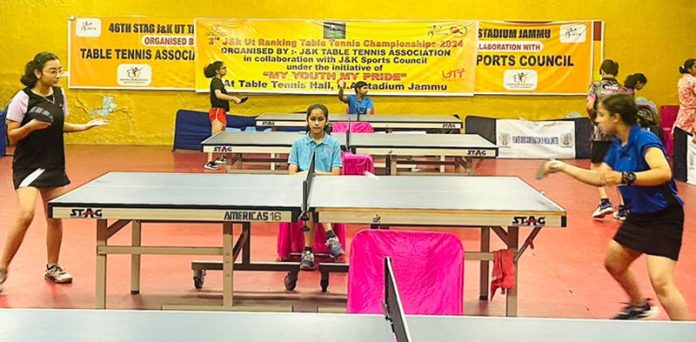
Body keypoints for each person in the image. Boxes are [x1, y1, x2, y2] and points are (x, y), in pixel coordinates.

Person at [540, 93, 690, 321]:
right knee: (614, 262)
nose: (597, 120)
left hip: (663, 217)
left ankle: (687, 333)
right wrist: (562, 167)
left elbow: (663, 172)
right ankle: (639, 306)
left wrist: (626, 177)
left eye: (601, 115)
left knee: (662, 284)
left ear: (616, 118)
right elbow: (600, 178)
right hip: (639, 215)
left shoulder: (644, 141)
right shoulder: (618, 145)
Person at [0, 52, 107, 293]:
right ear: (38, 73)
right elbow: (11, 135)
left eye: (60, 70)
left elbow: (59, 126)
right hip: (28, 165)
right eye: (53, 71)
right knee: (26, 215)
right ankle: (2, 268)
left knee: (55, 216)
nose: (58, 75)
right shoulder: (23, 97)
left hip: (53, 163)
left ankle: (53, 266)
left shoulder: (59, 95)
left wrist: (84, 126)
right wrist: (31, 126)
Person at [288, 104, 344, 270]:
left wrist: (316, 175)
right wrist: (306, 175)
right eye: (313, 119)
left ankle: (308, 250)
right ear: (307, 120)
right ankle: (331, 237)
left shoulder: (333, 143)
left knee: (314, 200)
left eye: (320, 119)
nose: (317, 123)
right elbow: (291, 173)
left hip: (327, 187)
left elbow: (335, 173)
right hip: (303, 187)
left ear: (326, 121)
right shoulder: (298, 144)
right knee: (309, 199)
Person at [586, 59, 628, 220]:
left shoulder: (596, 86)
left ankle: (604, 202)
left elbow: (590, 106)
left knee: (596, 166)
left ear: (601, 71)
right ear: (616, 73)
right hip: (620, 134)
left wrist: (594, 119)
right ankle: (623, 207)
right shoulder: (623, 90)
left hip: (601, 132)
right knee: (619, 169)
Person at [203, 61, 247, 170]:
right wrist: (233, 98)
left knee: (221, 136)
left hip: (221, 111)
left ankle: (222, 157)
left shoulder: (219, 82)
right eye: (223, 68)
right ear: (217, 71)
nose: (225, 70)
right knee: (214, 137)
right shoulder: (216, 82)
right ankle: (209, 162)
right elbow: (218, 95)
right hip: (217, 111)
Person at [673, 58, 696, 144]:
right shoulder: (693, 81)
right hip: (692, 118)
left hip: (682, 116)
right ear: (689, 69)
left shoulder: (681, 80)